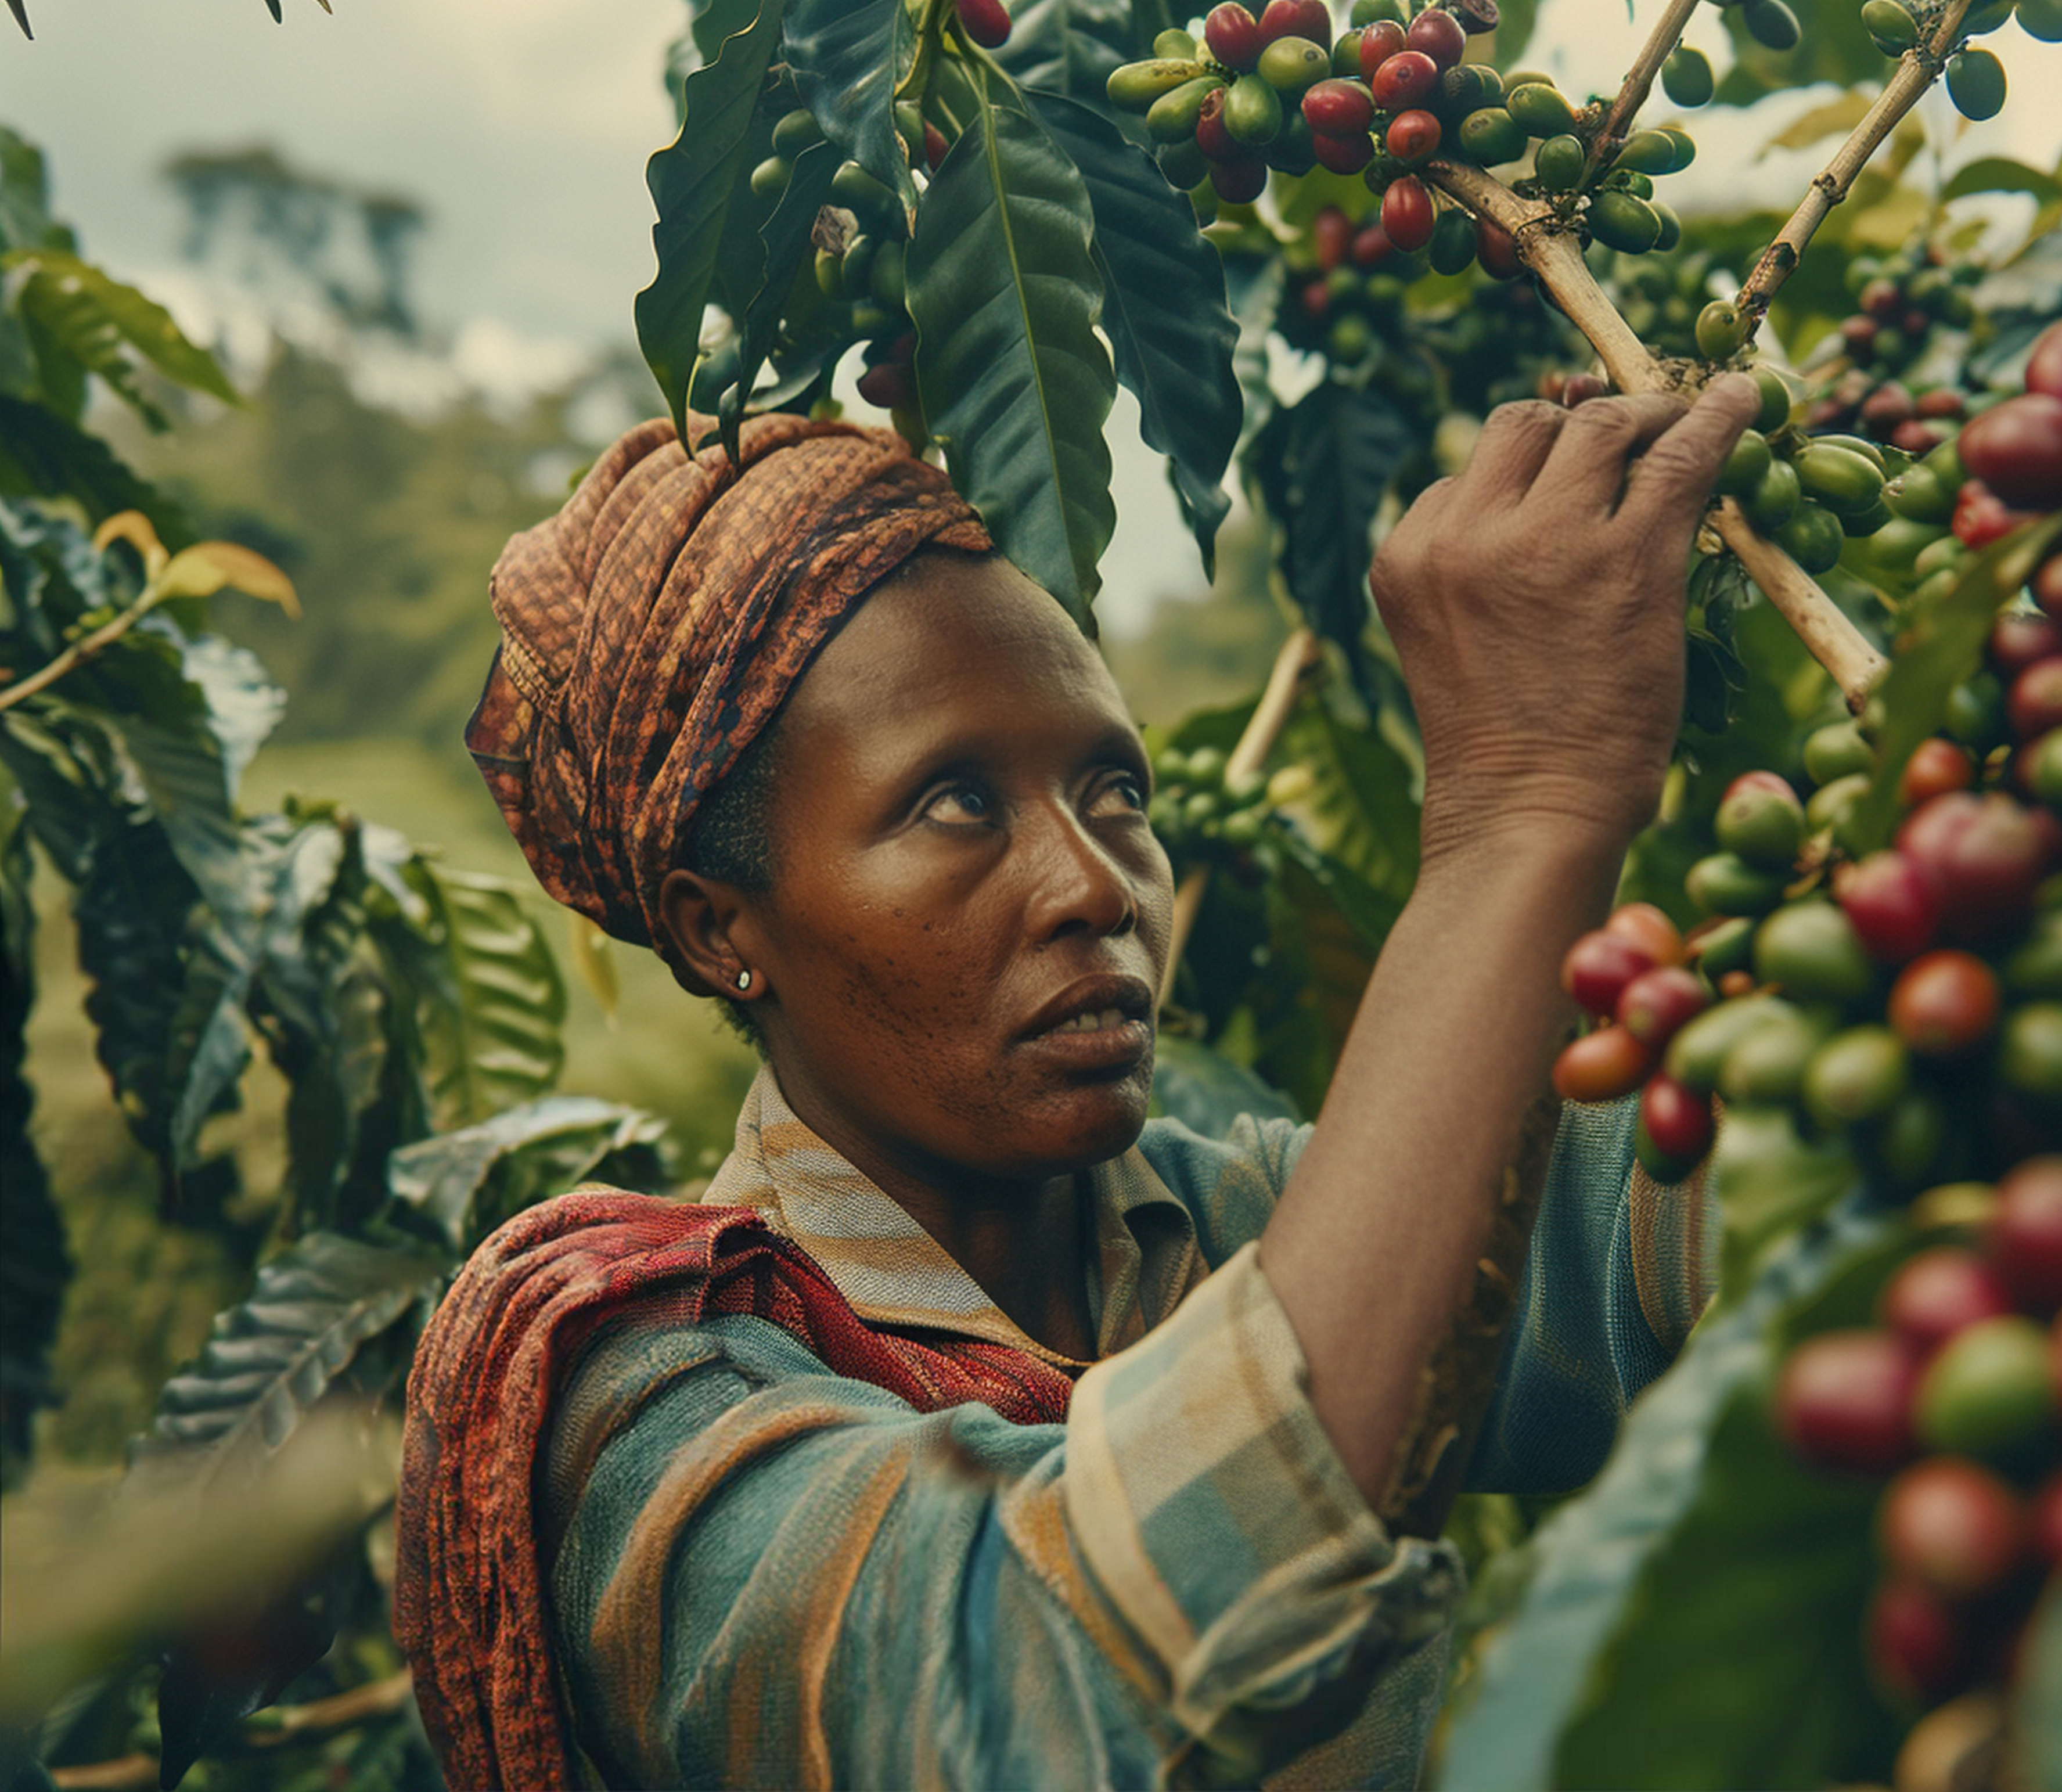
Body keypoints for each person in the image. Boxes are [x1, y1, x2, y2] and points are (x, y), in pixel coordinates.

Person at [394, 373, 1762, 1790]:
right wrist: (1518, 818)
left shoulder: (1235, 1228)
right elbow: (1036, 1687)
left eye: (1116, 791)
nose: (1098, 885)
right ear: (715, 930)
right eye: (956, 804)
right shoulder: (649, 1413)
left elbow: (1737, 1195)